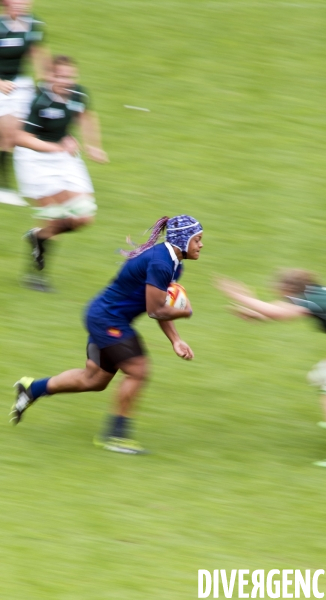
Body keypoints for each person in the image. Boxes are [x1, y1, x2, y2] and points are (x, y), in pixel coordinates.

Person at [10, 215, 204, 455]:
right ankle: (115, 437)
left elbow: (159, 305)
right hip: (108, 320)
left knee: (94, 379)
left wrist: (176, 339)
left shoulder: (174, 263)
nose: (201, 245)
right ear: (183, 240)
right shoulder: (161, 263)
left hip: (104, 316)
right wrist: (185, 313)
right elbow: (156, 310)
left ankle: (32, 389)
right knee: (138, 370)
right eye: (197, 240)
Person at [217, 270, 326, 469]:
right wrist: (258, 315)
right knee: (321, 377)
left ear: (289, 289)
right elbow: (284, 311)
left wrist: (242, 297)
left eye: (279, 291)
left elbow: (280, 311)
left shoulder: (312, 299)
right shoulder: (321, 294)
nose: (278, 295)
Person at [13, 54, 108, 290]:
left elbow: (87, 115)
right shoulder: (41, 101)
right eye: (60, 76)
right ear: (50, 75)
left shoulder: (79, 95)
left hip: (63, 157)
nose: (66, 81)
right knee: (55, 215)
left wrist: (92, 145)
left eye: (70, 76)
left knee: (84, 217)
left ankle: (39, 237)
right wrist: (55, 146)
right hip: (34, 160)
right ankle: (36, 275)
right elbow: (21, 138)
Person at [0, 0, 48, 178]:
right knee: (8, 135)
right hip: (1, 84)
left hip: (20, 83)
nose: (22, 3)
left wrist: (45, 84)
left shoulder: (33, 24)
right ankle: (4, 186)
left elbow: (38, 54)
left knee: (21, 135)